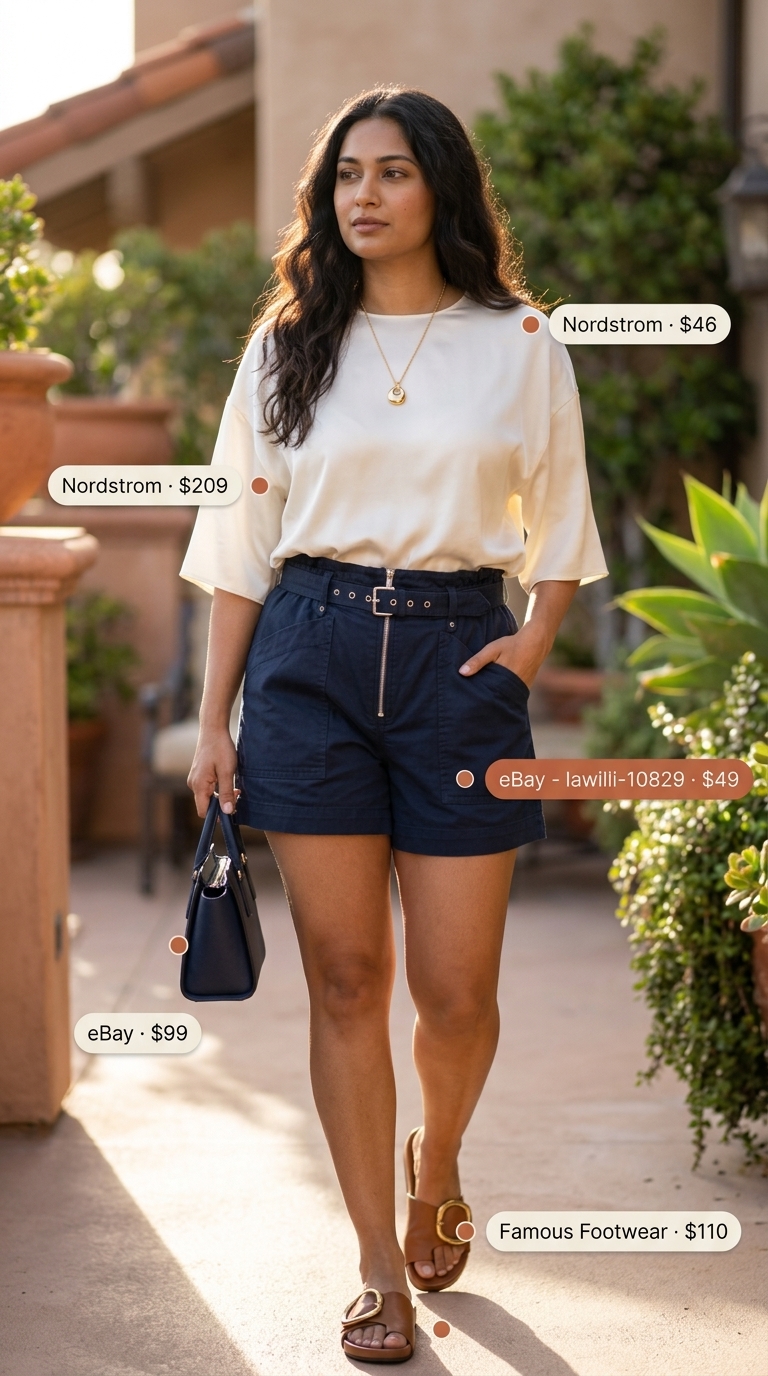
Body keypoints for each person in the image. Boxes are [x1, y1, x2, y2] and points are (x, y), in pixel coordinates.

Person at [182, 86, 607, 1364]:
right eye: (346, 176)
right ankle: (377, 1263)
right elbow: (240, 543)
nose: (364, 195)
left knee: (455, 989)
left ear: (442, 191)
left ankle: (440, 1158)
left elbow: (564, 517)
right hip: (306, 659)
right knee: (349, 977)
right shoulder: (286, 345)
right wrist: (217, 716)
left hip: (455, 657)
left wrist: (530, 641)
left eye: (393, 172)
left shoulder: (519, 339)